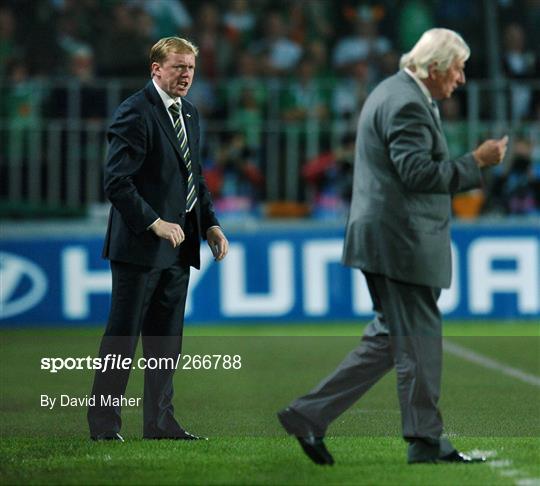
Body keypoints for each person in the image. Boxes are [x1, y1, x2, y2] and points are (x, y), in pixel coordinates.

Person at [278, 28, 507, 465]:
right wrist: (475, 163)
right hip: (400, 241)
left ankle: (308, 415)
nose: (461, 79)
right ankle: (425, 441)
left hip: (386, 237)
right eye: (458, 69)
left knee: (390, 339)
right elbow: (417, 173)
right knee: (419, 339)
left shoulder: (393, 91)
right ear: (436, 67)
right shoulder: (406, 102)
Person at [88, 37, 228, 441]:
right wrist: (155, 223)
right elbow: (117, 182)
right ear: (156, 69)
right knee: (123, 338)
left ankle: (160, 423)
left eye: (190, 68)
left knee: (165, 343)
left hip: (179, 247)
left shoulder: (189, 114)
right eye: (178, 67)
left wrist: (211, 224)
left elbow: (194, 178)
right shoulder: (134, 112)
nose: (186, 75)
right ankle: (103, 426)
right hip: (140, 247)